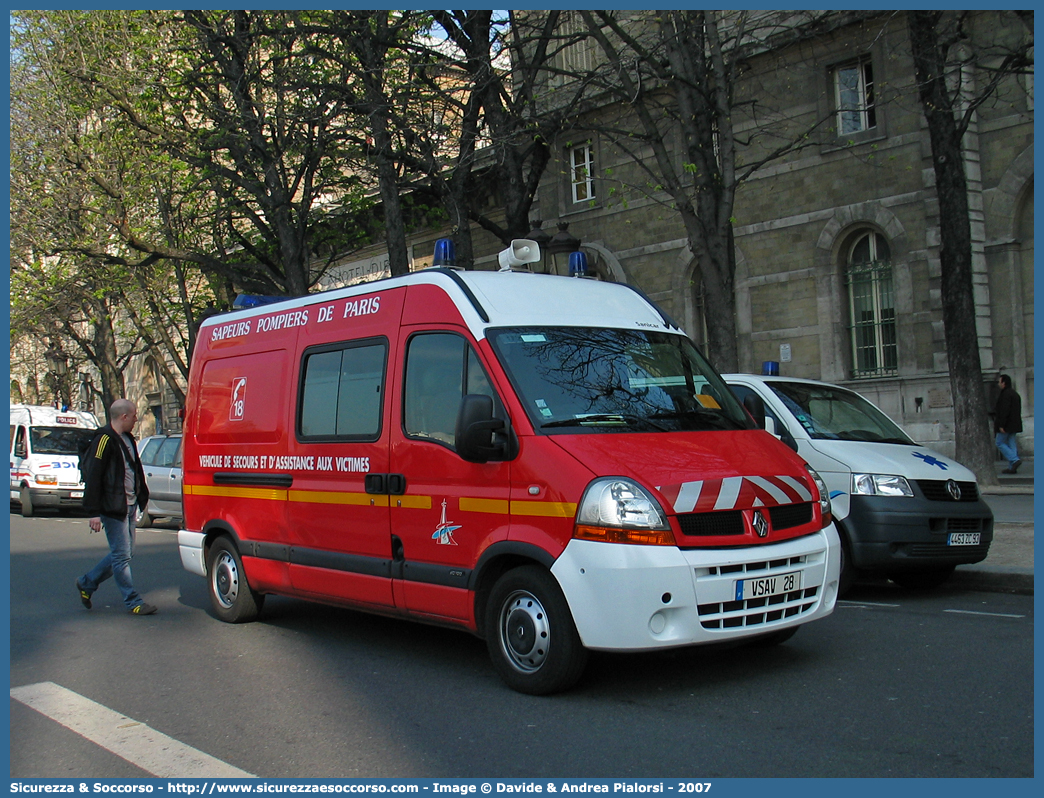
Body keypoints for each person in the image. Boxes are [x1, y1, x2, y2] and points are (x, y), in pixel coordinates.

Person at [75, 399, 157, 615]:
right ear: (123, 417)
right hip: (113, 507)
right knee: (121, 556)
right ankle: (133, 601)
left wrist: (142, 499)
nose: (136, 419)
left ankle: (87, 582)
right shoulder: (104, 440)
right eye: (133, 416)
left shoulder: (129, 439)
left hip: (129, 506)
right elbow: (94, 475)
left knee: (126, 553)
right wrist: (93, 512)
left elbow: (135, 470)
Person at [993, 374, 1023, 474]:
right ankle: (1012, 468)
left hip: (1006, 424)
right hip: (1014, 424)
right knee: (1011, 443)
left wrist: (1001, 425)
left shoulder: (1005, 395)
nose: (998, 384)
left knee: (999, 442)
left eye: (999, 382)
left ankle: (1014, 460)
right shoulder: (1014, 394)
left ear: (1004, 383)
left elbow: (1004, 411)